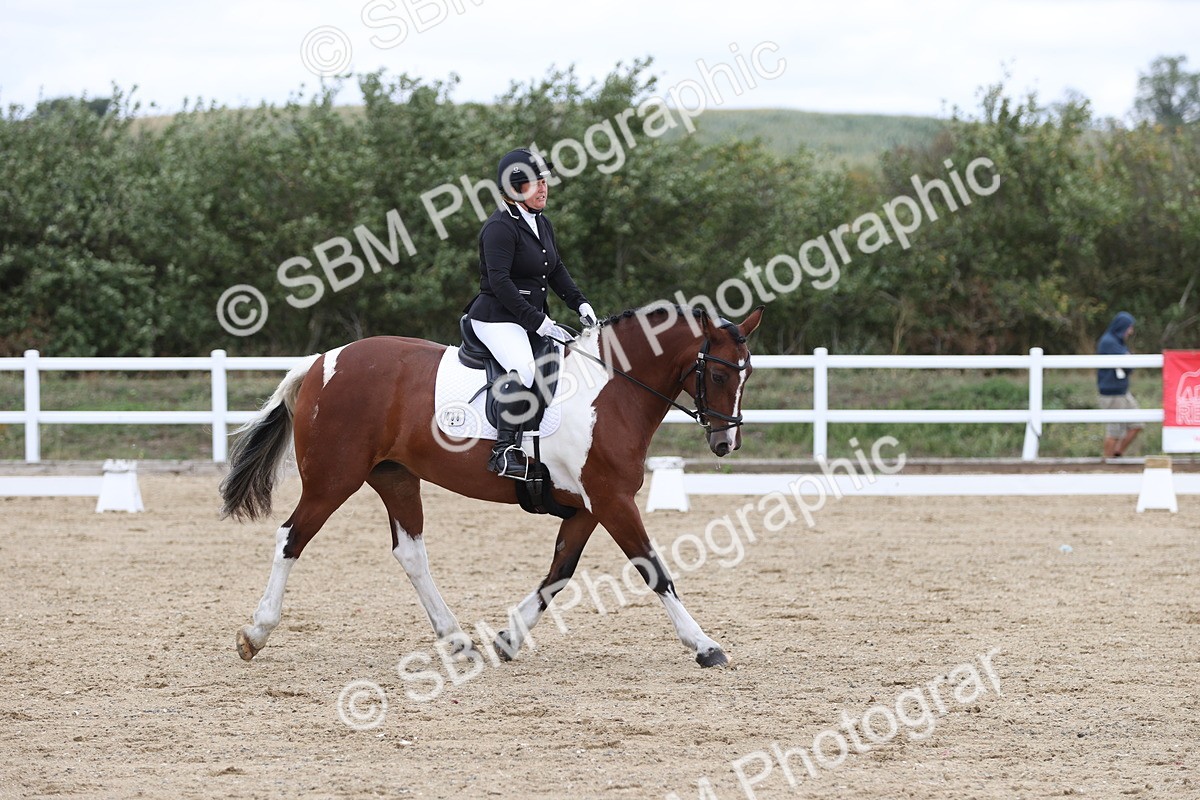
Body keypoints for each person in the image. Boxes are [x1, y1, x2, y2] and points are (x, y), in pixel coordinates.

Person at [463, 148, 597, 479]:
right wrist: (539, 322)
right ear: (513, 190)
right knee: (524, 369)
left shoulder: (542, 223)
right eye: (534, 183)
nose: (543, 188)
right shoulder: (498, 228)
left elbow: (555, 269)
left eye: (544, 181)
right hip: (495, 317)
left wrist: (579, 303)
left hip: (527, 318)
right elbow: (501, 282)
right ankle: (504, 451)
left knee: (562, 364)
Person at [1096, 311, 1143, 458]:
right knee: (1114, 431)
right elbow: (1128, 364)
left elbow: (1129, 363)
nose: (1131, 331)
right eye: (1129, 327)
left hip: (1122, 391)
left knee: (1137, 424)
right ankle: (1107, 463)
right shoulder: (1109, 342)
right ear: (1123, 327)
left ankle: (1117, 454)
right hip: (1112, 393)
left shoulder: (1117, 342)